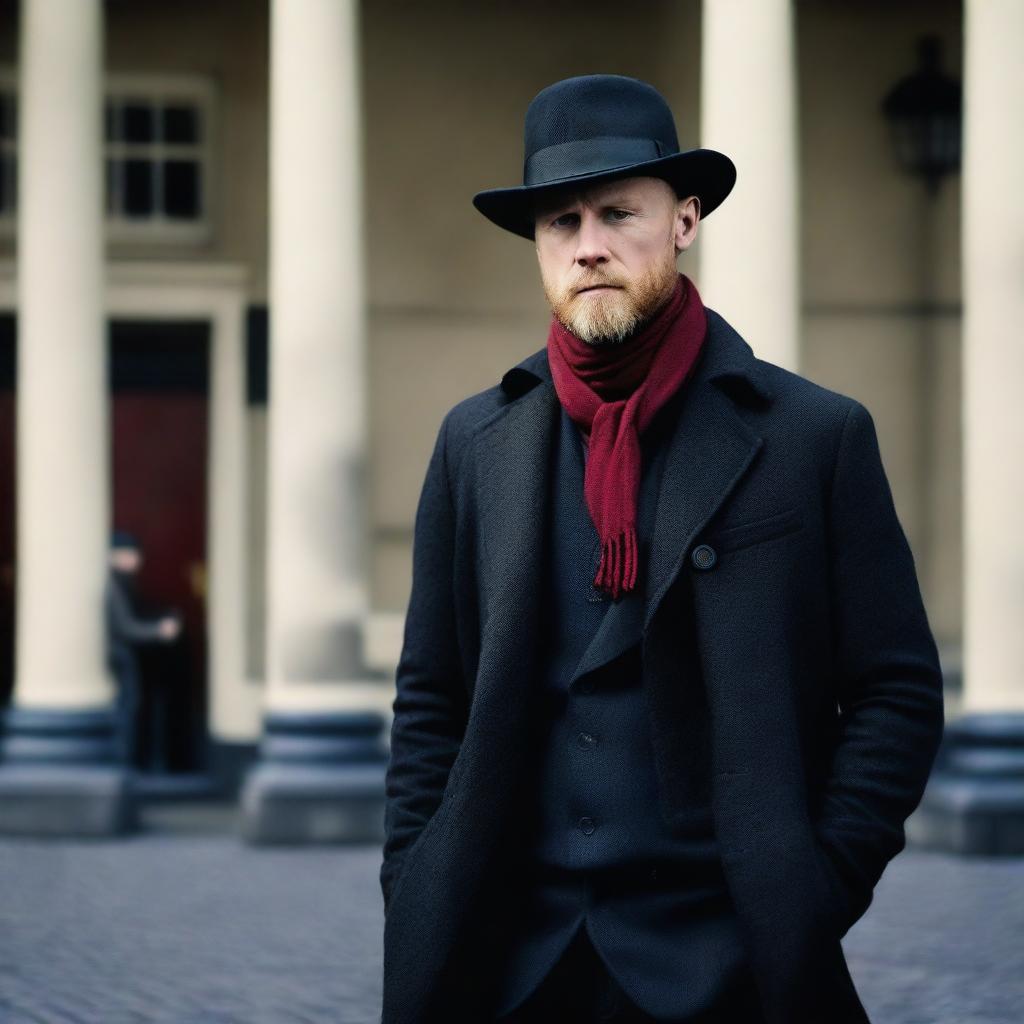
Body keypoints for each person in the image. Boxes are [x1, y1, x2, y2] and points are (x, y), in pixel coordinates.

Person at [379, 75, 944, 1024]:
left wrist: (816, 884)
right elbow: (431, 695)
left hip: (731, 967)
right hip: (506, 961)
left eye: (617, 212)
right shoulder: (475, 443)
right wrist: (415, 872)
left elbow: (895, 690)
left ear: (683, 220)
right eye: (561, 221)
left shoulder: (813, 434)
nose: (588, 243)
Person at [106, 529, 181, 769]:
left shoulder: (122, 584)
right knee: (126, 709)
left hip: (123, 657)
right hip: (119, 657)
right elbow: (124, 627)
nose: (134, 559)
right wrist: (159, 631)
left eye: (134, 553)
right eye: (126, 554)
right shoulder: (112, 586)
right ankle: (122, 763)